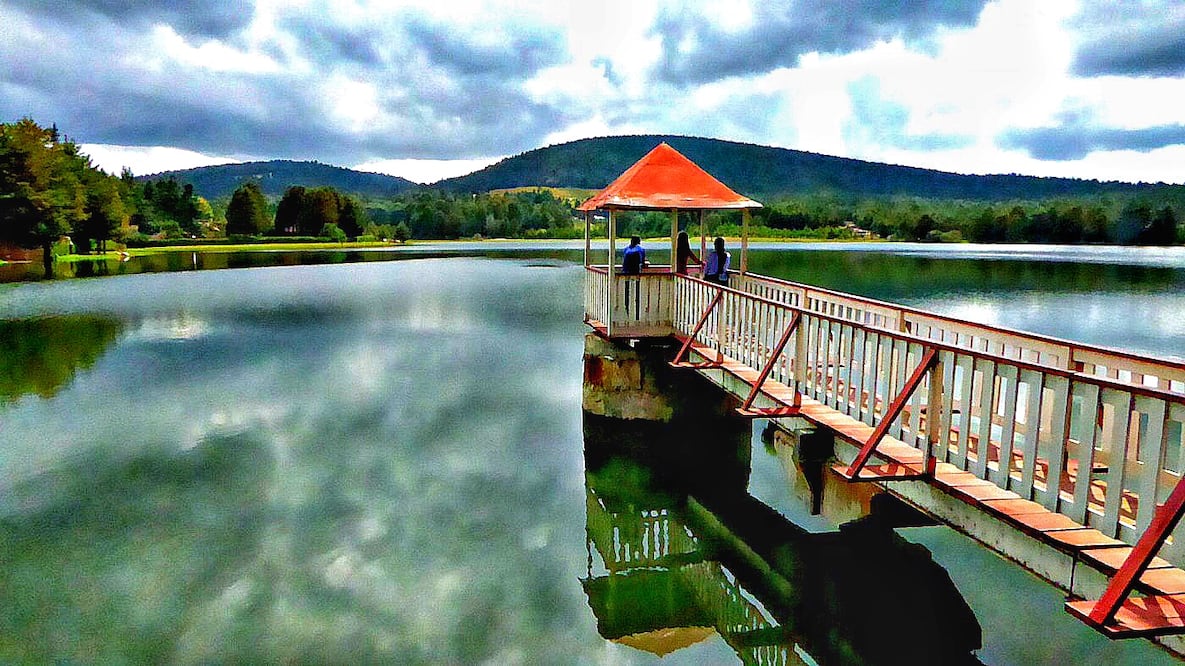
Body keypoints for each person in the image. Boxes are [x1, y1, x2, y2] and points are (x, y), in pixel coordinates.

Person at [621, 236, 647, 317]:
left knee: (627, 292)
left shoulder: (626, 249)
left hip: (626, 273)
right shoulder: (640, 250)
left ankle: (627, 310)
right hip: (636, 273)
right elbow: (642, 262)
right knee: (637, 293)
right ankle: (636, 312)